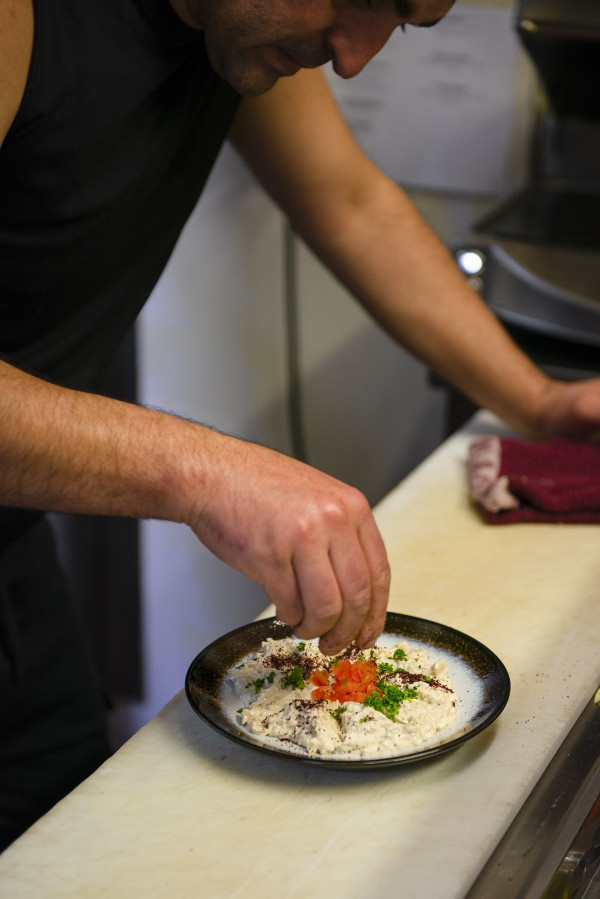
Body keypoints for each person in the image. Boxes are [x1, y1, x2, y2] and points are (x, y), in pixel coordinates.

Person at [1, 0, 600, 849]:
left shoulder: (238, 27)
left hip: (14, 550)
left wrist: (540, 401)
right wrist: (206, 473)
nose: (355, 58)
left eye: (405, 22)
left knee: (60, 838)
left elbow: (349, 200)